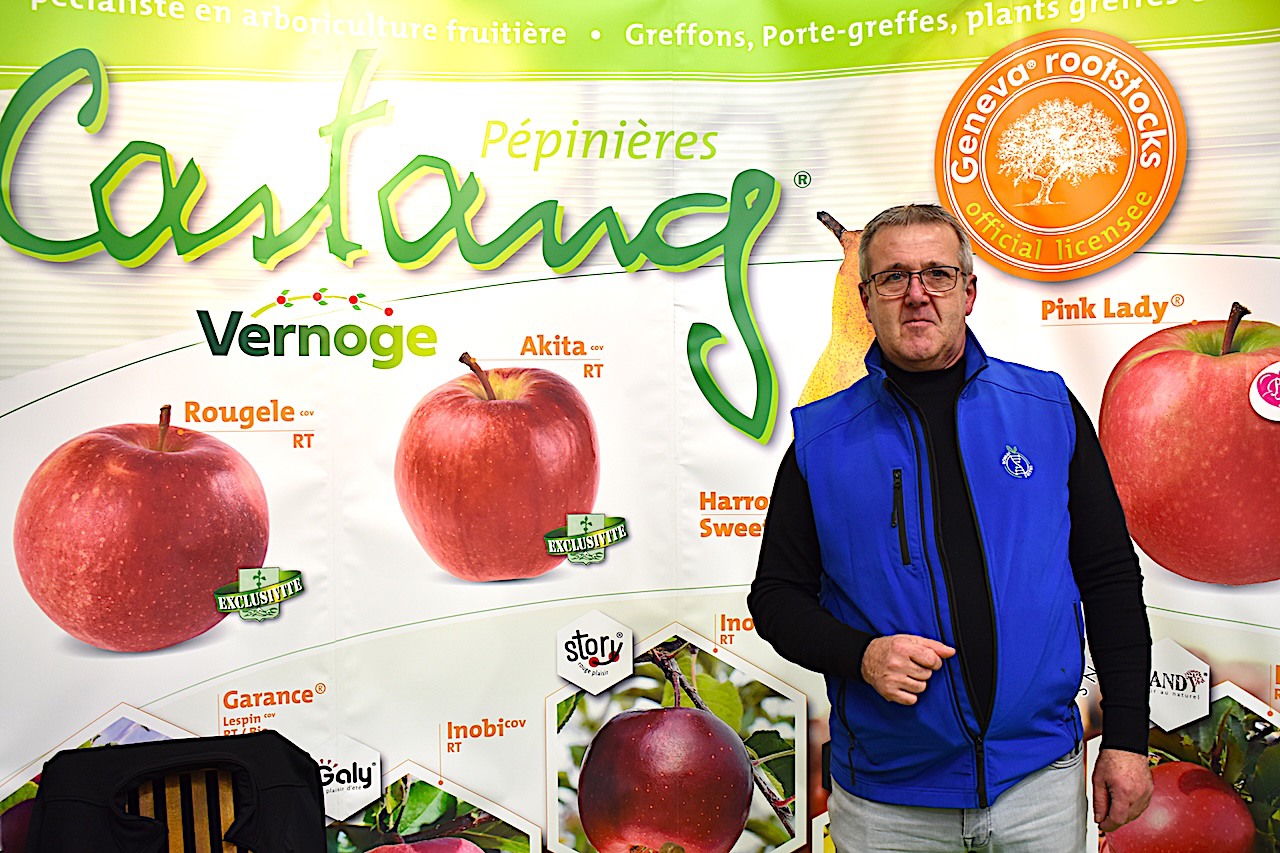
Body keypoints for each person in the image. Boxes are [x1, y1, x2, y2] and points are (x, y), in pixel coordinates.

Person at [748, 203, 1152, 852]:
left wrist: (1128, 738)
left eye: (937, 273)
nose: (917, 294)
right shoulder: (821, 443)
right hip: (888, 805)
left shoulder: (1047, 409)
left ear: (969, 291)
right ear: (865, 299)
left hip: (1039, 787)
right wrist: (861, 655)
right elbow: (775, 598)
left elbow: (1109, 578)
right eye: (893, 277)